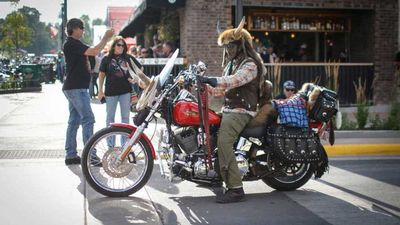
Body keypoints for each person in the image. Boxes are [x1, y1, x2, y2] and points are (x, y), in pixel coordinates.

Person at [198, 18, 266, 203]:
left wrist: (213, 80)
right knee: (210, 134)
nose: (228, 50)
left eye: (231, 46)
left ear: (240, 45)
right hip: (230, 109)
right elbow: (222, 89)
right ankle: (216, 175)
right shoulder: (232, 64)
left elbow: (235, 80)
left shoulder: (250, 64)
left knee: (224, 141)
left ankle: (236, 188)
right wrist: (200, 85)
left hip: (242, 111)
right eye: (226, 47)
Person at [62, 18, 114, 165]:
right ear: (75, 28)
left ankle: (71, 155)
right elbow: (94, 51)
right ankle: (90, 156)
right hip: (76, 88)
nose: (83, 30)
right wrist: (105, 37)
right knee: (88, 119)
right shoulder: (71, 43)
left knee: (74, 121)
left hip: (75, 87)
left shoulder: (74, 44)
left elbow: (93, 52)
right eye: (82, 27)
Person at [98, 36, 143, 132]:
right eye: (119, 45)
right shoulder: (106, 59)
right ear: (113, 46)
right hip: (110, 92)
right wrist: (100, 91)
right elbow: (101, 75)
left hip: (125, 91)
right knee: (110, 118)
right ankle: (110, 144)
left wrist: (136, 78)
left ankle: (125, 144)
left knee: (125, 118)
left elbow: (140, 68)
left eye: (123, 45)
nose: (121, 47)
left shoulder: (128, 57)